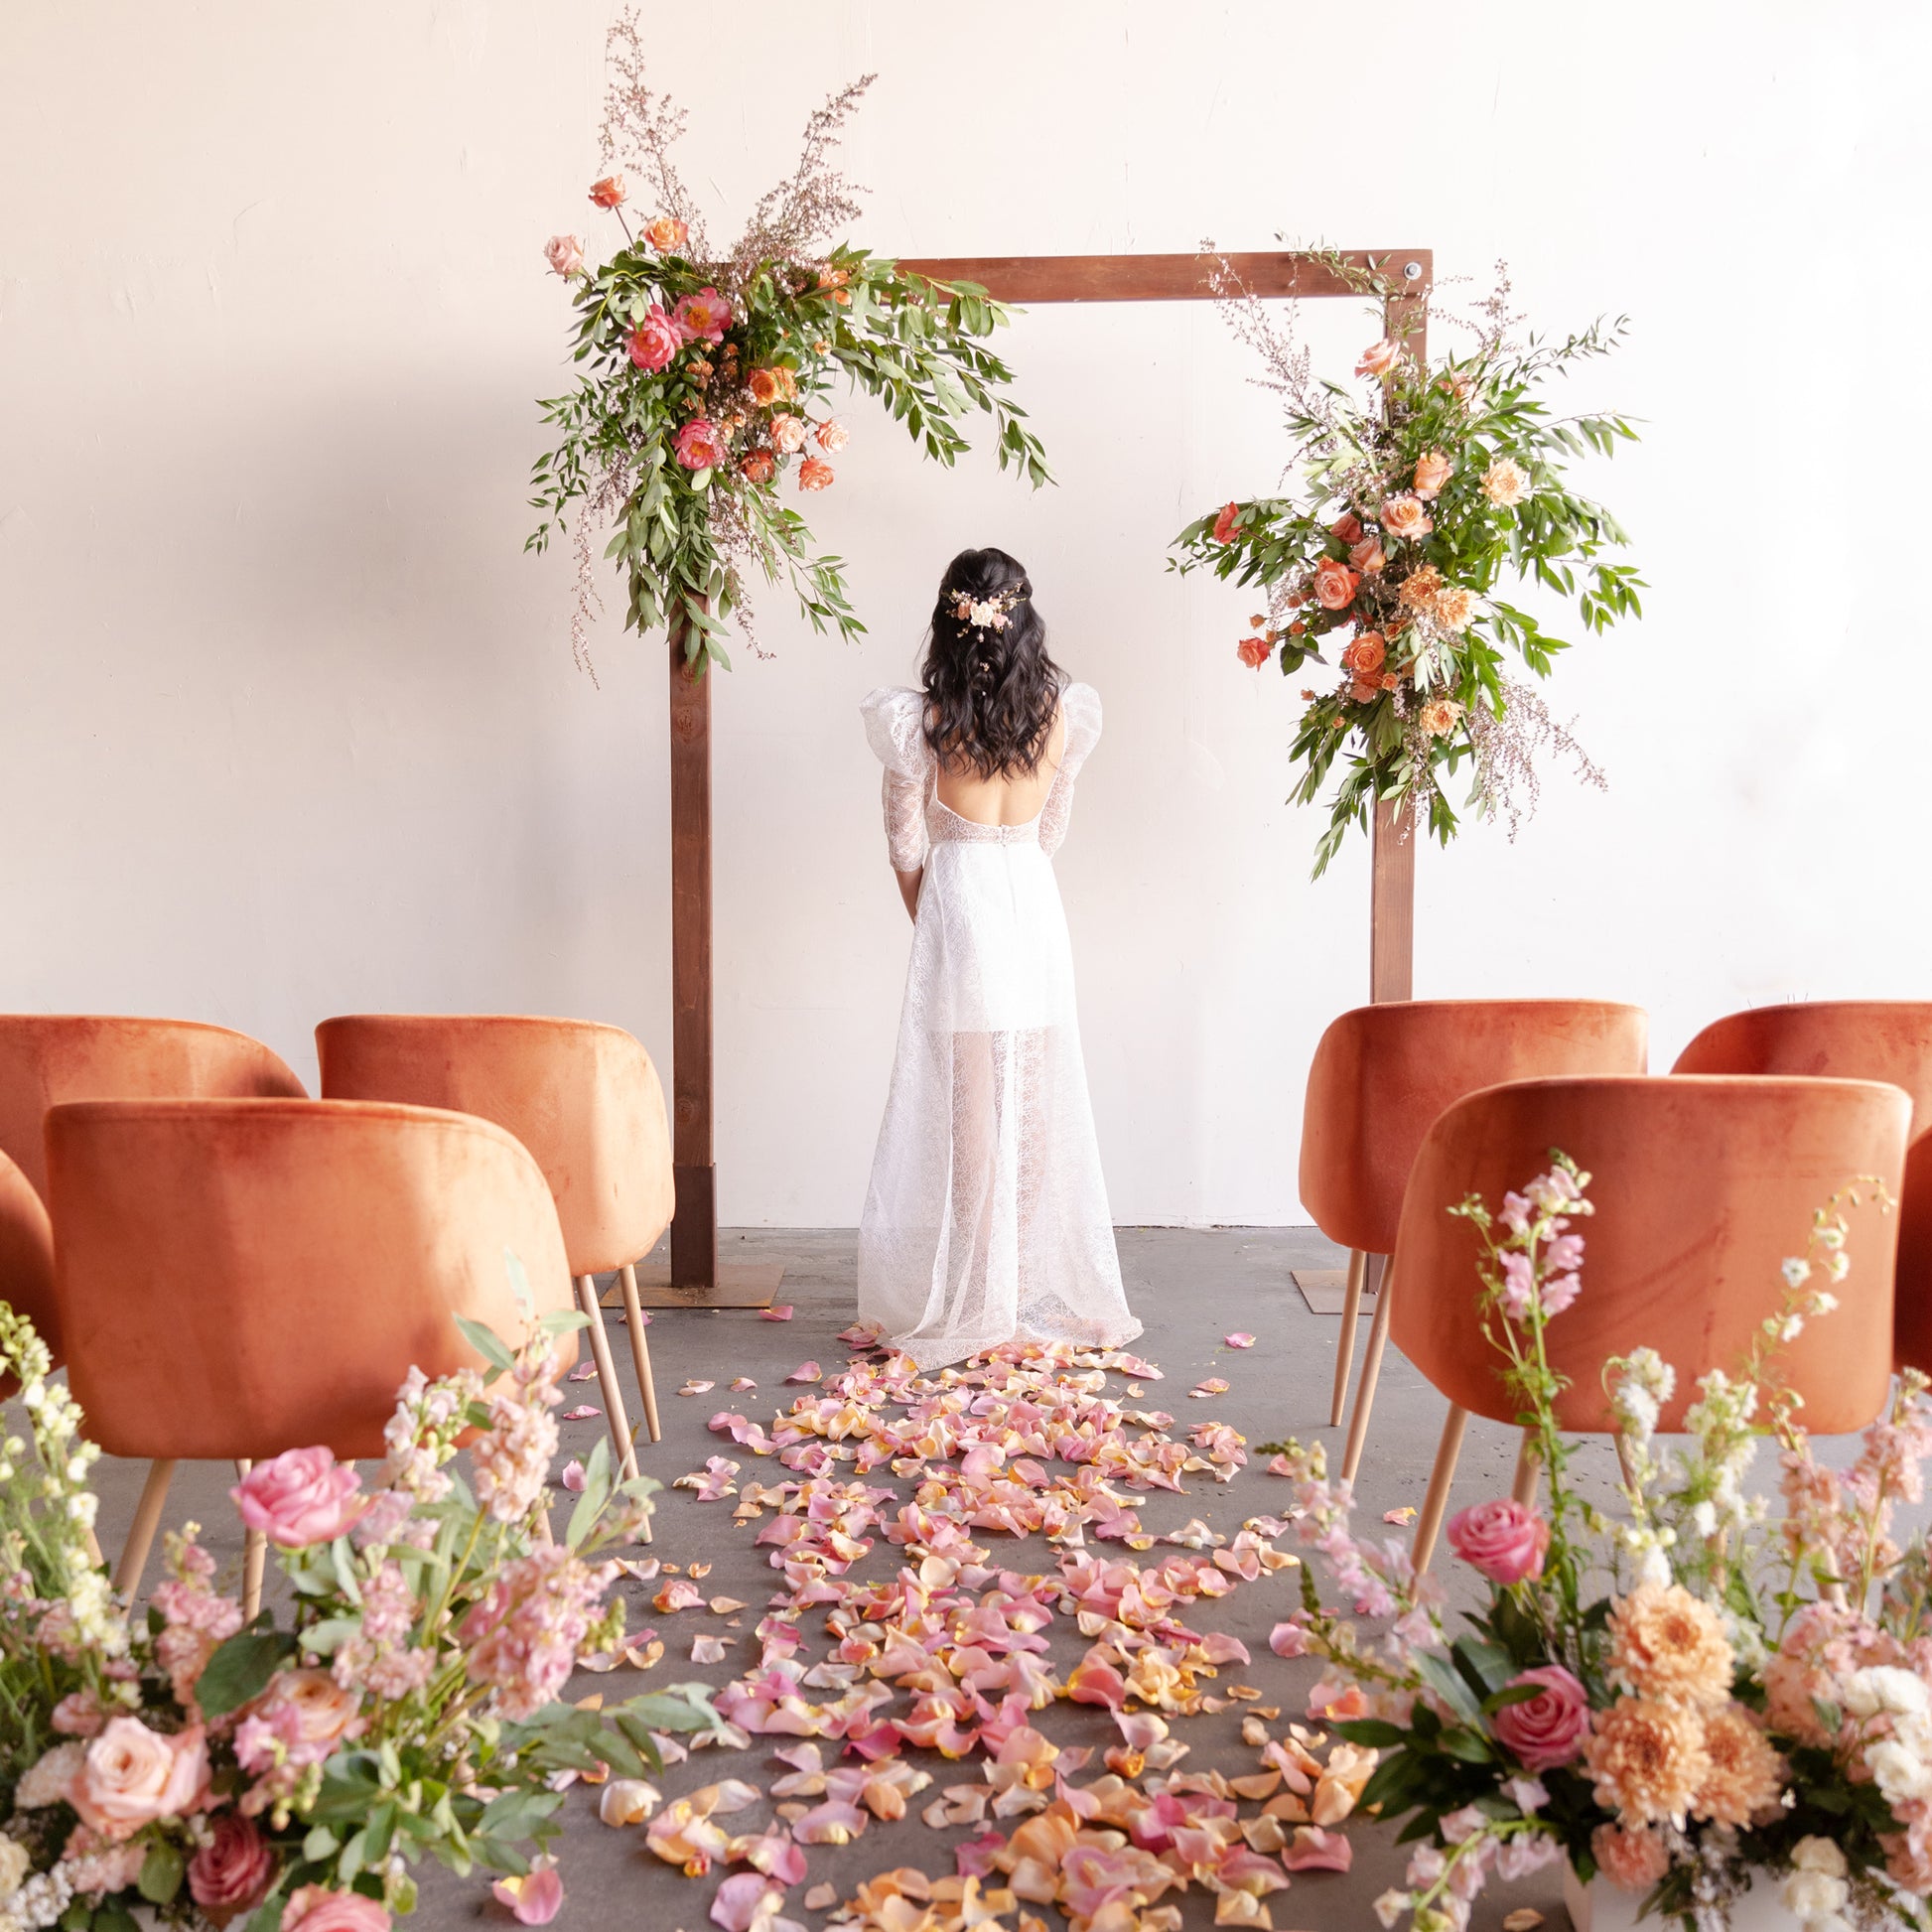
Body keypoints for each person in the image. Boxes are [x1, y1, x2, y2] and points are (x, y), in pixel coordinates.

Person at [856, 546, 1141, 1370]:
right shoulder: (1062, 710)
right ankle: (1012, 1286)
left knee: (971, 1101)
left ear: (949, 618)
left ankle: (976, 1292)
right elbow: (1051, 831)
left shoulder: (923, 720)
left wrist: (935, 923)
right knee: (1033, 1090)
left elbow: (905, 845)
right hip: (1032, 900)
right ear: (1024, 617)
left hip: (962, 902)